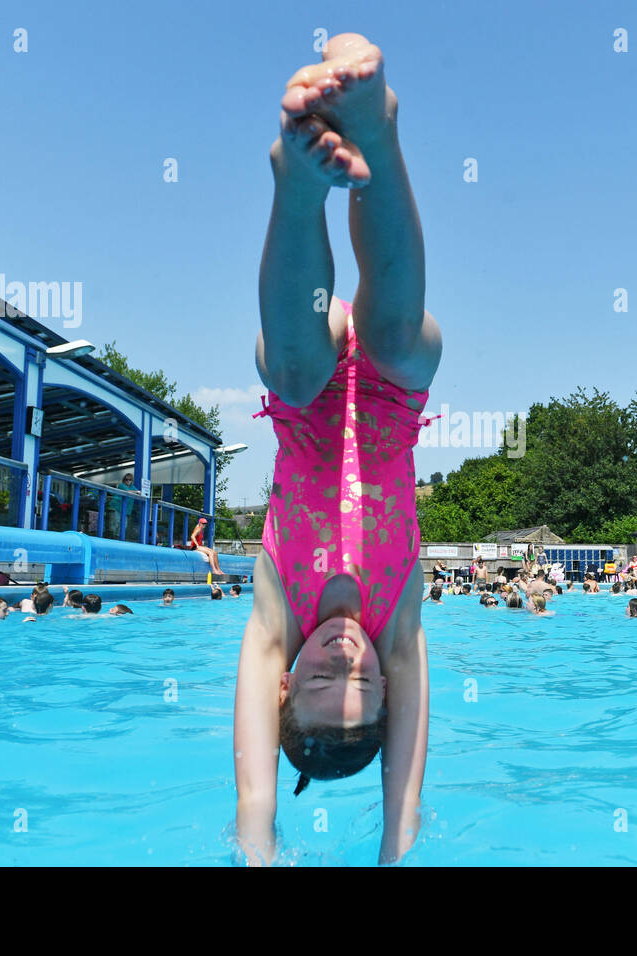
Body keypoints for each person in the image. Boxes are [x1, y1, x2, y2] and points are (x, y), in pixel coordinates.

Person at [235, 32, 438, 867]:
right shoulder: (400, 626)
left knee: (289, 359)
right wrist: (395, 851)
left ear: (284, 682)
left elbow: (254, 795)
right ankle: (375, 133)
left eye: (320, 684)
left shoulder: (276, 620)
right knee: (398, 332)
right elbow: (409, 795)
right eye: (361, 686)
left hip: (308, 400)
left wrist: (261, 849)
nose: (344, 664)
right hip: (391, 405)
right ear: (387, 685)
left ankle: (298, 180)